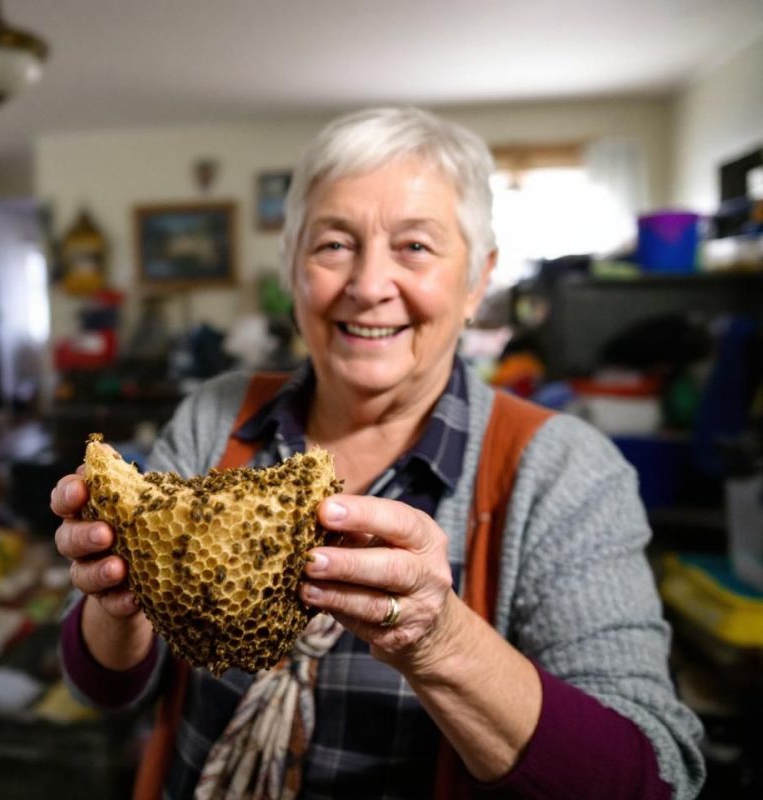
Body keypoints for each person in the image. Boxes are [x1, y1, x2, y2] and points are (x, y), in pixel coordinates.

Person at [51, 107, 705, 799]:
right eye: (333, 244)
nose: (367, 284)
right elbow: (110, 691)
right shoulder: (217, 416)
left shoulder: (566, 471)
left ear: (478, 279)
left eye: (416, 247)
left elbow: (654, 776)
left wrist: (441, 640)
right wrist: (117, 599)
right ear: (292, 267)